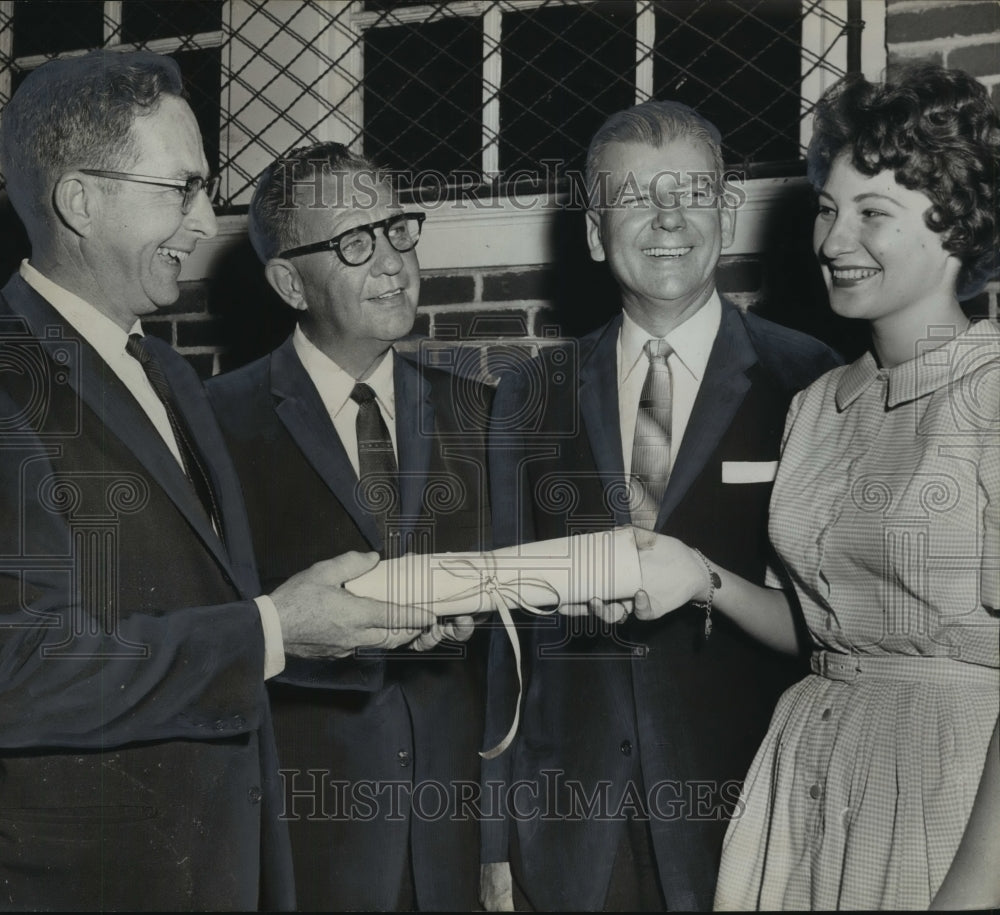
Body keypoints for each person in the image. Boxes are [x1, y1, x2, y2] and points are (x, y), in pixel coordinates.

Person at [0, 51, 431, 910]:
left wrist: (336, 628)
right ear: (80, 200)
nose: (204, 221)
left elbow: (192, 615)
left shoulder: (167, 374)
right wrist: (276, 628)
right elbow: (20, 669)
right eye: (182, 189)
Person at [630, 65, 1000, 910]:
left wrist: (975, 888)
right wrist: (703, 576)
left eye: (874, 214)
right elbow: (824, 626)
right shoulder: (819, 404)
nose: (832, 241)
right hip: (807, 778)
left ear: (958, 223)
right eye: (829, 209)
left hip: (950, 795)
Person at [480, 100, 842, 911]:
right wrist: (493, 835)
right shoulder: (530, 392)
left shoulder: (811, 378)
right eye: (638, 196)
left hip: (752, 807)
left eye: (692, 192)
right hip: (574, 823)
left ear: (724, 211)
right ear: (595, 232)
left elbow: (831, 614)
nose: (669, 216)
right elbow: (502, 631)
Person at [205, 142, 493, 912]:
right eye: (355, 243)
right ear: (290, 281)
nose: (394, 261)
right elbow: (206, 634)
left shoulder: (480, 414)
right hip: (301, 841)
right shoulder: (211, 423)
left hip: (452, 838)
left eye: (398, 229)